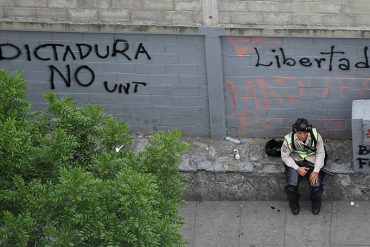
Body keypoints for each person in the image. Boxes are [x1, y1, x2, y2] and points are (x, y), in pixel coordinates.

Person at [281, 118, 326, 215]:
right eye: (299, 133)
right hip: (296, 162)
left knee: (317, 188)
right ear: (295, 130)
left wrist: (316, 170)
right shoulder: (288, 139)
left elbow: (321, 153)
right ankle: (294, 205)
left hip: (312, 162)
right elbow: (285, 156)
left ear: (308, 130)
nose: (302, 136)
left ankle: (316, 204)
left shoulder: (316, 136)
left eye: (304, 133)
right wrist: (297, 168)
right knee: (291, 188)